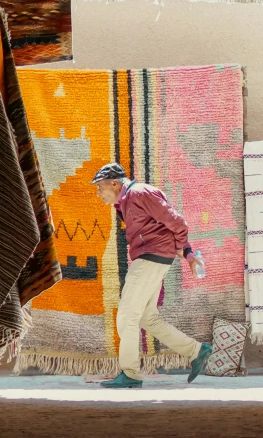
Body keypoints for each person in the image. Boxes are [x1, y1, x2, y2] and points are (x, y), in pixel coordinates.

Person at [91, 162, 212, 388]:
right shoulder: (126, 202)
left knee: (127, 315)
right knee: (147, 317)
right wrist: (185, 252)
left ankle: (131, 374)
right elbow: (168, 226)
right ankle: (196, 351)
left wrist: (183, 250)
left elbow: (177, 222)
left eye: (100, 187)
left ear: (115, 184)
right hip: (153, 258)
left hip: (150, 258)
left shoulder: (139, 193)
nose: (99, 194)